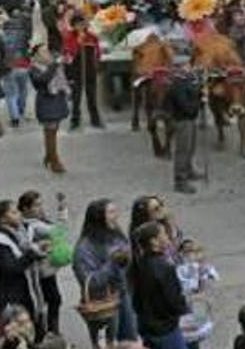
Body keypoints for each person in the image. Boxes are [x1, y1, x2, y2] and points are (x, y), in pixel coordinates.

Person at [74, 199, 136, 345]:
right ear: (98, 218)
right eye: (111, 212)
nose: (117, 216)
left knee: (130, 342)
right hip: (103, 306)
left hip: (123, 296)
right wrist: (113, 263)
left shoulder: (115, 234)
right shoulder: (84, 249)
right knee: (109, 344)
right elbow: (90, 281)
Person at [131, 221, 190, 349]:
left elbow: (136, 300)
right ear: (154, 242)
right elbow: (174, 300)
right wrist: (185, 309)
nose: (167, 236)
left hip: (146, 326)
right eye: (163, 234)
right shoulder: (164, 267)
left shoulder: (140, 263)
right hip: (166, 329)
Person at [19, 191, 65, 336]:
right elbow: (59, 231)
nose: (40, 208)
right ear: (26, 209)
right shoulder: (35, 226)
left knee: (50, 300)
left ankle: (50, 330)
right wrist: (62, 212)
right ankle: (51, 331)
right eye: (36, 205)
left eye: (40, 204)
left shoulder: (30, 222)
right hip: (42, 270)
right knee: (53, 299)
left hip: (43, 269)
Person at [163, 67, 204, 194]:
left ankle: (189, 170)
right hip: (182, 119)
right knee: (183, 150)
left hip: (190, 119)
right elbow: (185, 105)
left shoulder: (186, 80)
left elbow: (192, 93)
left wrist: (200, 91)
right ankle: (180, 181)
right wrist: (199, 101)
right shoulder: (178, 84)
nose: (191, 68)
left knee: (190, 147)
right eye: (187, 65)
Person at [29, 46, 69, 174]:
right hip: (46, 101)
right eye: (43, 52)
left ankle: (49, 156)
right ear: (36, 56)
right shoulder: (34, 68)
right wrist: (54, 65)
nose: (47, 54)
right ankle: (54, 161)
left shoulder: (52, 65)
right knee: (50, 132)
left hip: (56, 100)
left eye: (47, 51)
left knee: (53, 131)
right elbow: (43, 80)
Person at [61, 14, 102, 130]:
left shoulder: (92, 37)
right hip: (76, 70)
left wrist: (96, 63)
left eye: (82, 24)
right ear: (73, 26)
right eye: (77, 24)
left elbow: (97, 53)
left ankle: (95, 119)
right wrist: (77, 43)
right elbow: (67, 54)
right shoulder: (69, 37)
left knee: (92, 96)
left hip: (90, 70)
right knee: (76, 97)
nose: (80, 26)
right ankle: (75, 120)